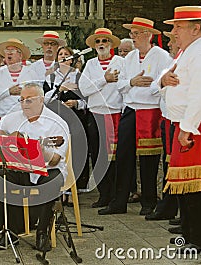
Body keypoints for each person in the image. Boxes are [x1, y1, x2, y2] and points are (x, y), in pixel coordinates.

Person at [161, 6, 201, 251]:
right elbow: (168, 76)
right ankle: (190, 234)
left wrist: (187, 128)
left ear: (195, 28)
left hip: (199, 124)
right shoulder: (191, 50)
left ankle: (200, 239)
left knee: (196, 183)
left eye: (178, 26)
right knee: (187, 184)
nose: (173, 32)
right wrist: (163, 80)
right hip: (190, 123)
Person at [0, 82, 69, 251]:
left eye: (29, 100)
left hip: (47, 170)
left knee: (51, 182)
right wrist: (1, 140)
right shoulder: (14, 116)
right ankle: (9, 231)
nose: (23, 104)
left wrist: (40, 148)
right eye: (21, 100)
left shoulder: (57, 123)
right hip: (20, 168)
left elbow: (55, 160)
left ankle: (42, 232)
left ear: (41, 100)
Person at [99, 17, 172, 216]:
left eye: (136, 33)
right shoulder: (129, 58)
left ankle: (149, 201)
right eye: (132, 33)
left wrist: (149, 86)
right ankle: (119, 201)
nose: (133, 37)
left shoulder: (162, 56)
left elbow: (163, 85)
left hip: (150, 110)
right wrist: (133, 81)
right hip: (130, 109)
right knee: (123, 155)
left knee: (149, 159)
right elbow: (120, 85)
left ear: (148, 35)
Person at [78, 28, 124, 209]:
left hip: (115, 113)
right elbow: (85, 89)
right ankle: (104, 194)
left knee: (116, 156)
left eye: (105, 40)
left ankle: (118, 195)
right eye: (98, 42)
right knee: (98, 155)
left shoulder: (121, 62)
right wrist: (104, 80)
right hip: (96, 114)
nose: (101, 44)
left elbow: (123, 86)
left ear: (111, 44)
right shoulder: (90, 64)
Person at [43, 46, 89, 201]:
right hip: (56, 118)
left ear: (72, 58)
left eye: (66, 55)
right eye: (60, 54)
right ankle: (59, 188)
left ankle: (73, 189)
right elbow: (44, 99)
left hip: (75, 119)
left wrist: (76, 103)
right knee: (58, 151)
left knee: (74, 152)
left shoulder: (79, 76)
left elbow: (88, 99)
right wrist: (60, 89)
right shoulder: (50, 77)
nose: (63, 57)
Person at [145, 31, 180, 221]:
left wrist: (161, 85)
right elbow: (154, 87)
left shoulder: (182, 61)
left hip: (179, 119)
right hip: (168, 118)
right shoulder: (172, 61)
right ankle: (170, 207)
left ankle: (175, 208)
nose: (168, 44)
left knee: (177, 167)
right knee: (169, 166)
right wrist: (161, 84)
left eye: (172, 40)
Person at [0, 38, 39, 119]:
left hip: (25, 119)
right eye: (7, 51)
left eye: (12, 51)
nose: (9, 54)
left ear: (20, 55)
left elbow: (38, 96)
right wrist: (8, 92)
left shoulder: (31, 73)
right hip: (1, 119)